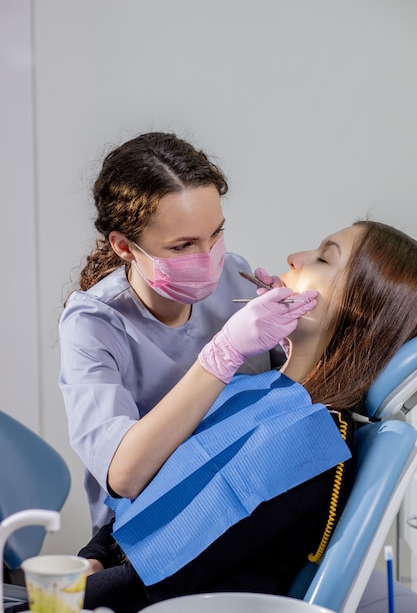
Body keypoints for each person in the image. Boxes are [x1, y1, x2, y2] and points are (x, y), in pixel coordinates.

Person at [69, 220, 417, 613]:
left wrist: (57, 599)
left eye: (322, 258)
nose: (294, 258)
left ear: (359, 315)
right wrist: (94, 556)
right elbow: (153, 492)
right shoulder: (253, 388)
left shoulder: (311, 446)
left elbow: (168, 577)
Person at [59, 131, 291, 533]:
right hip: (153, 534)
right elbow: (124, 475)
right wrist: (223, 354)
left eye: (215, 233)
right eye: (183, 246)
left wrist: (297, 336)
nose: (209, 259)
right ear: (124, 246)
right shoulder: (94, 324)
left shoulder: (235, 278)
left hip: (246, 509)